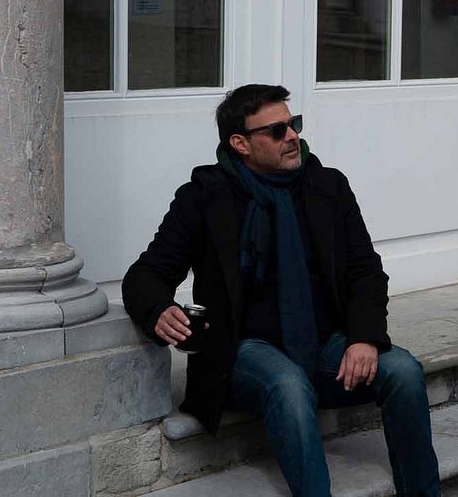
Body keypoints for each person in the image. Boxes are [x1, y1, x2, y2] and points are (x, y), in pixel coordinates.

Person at [122, 84, 441, 496]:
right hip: (242, 352)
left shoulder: (327, 186)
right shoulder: (205, 196)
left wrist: (363, 338)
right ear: (240, 143)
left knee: (403, 370)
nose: (291, 137)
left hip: (324, 344)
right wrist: (159, 309)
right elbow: (144, 275)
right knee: (288, 385)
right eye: (276, 131)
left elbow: (365, 272)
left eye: (293, 125)